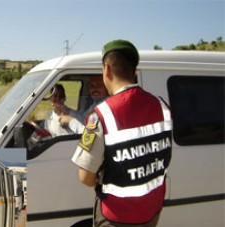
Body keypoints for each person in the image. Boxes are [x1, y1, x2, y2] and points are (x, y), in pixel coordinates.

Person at [71, 39, 173, 226]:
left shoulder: (99, 116)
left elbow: (85, 177)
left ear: (106, 69)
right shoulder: (162, 106)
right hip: (152, 210)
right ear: (134, 71)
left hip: (117, 217)